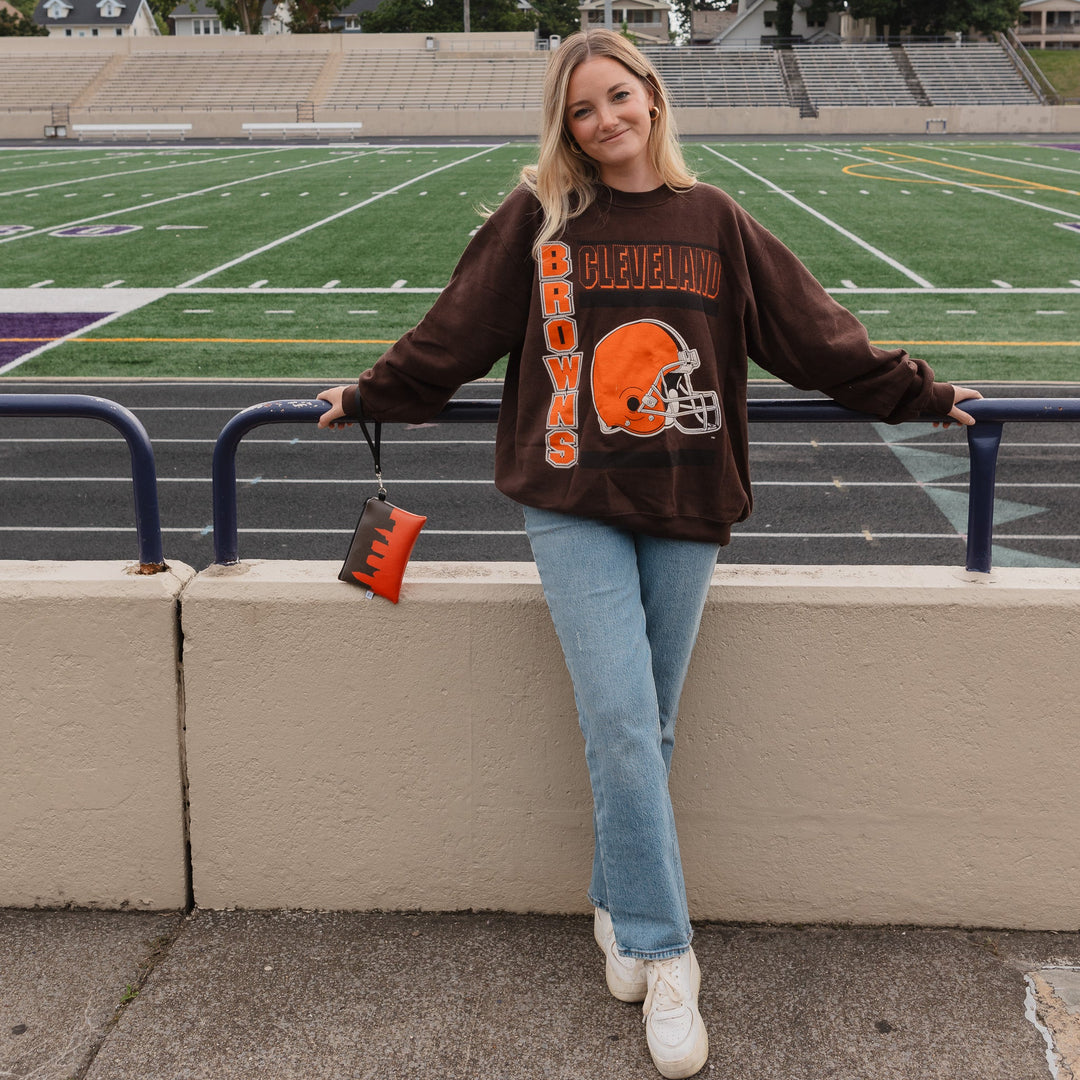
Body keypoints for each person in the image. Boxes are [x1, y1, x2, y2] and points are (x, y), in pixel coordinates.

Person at [317, 29, 982, 1079]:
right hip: (570, 498)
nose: (605, 121)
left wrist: (920, 392)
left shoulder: (714, 220)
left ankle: (616, 902)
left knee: (651, 724)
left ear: (653, 98)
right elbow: (456, 331)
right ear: (565, 125)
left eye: (618, 97)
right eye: (582, 109)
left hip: (685, 494)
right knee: (622, 720)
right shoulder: (540, 219)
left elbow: (812, 335)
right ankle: (668, 958)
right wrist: (373, 393)